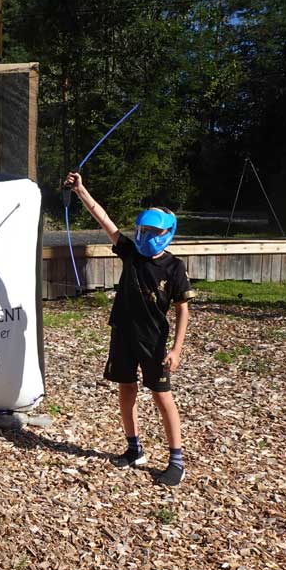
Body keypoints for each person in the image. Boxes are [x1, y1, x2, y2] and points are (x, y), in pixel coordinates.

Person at [65, 172, 196, 486]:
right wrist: (82, 190)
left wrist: (177, 349)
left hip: (154, 341)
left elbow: (182, 309)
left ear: (167, 233)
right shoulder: (132, 253)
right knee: (127, 391)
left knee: (162, 397)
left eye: (153, 231)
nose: (146, 236)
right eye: (143, 230)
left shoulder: (174, 267)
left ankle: (176, 459)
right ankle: (134, 448)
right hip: (122, 334)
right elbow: (104, 219)